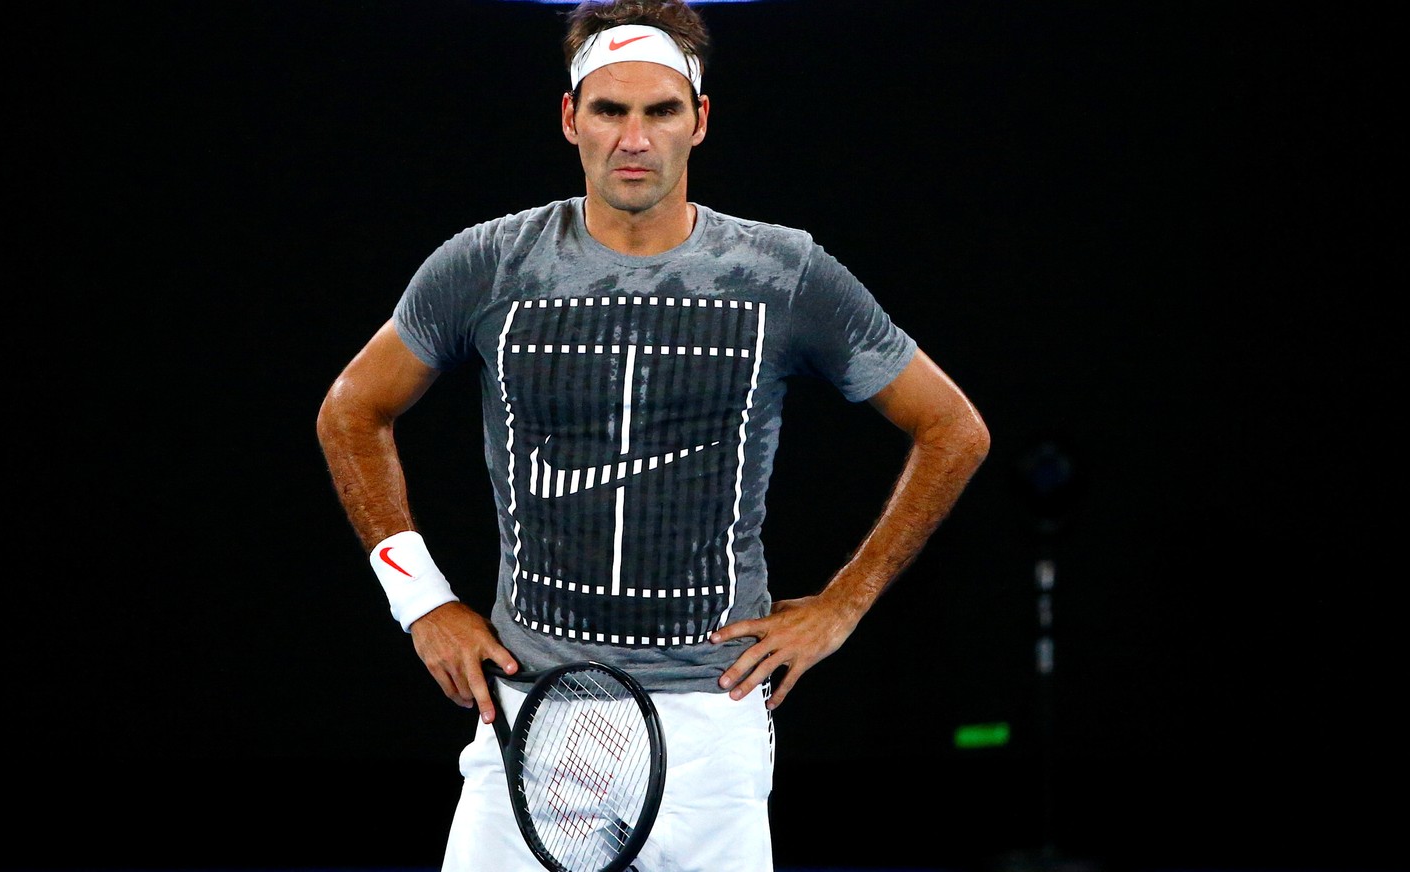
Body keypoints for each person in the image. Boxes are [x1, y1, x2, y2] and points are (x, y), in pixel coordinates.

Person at [315, 1, 990, 868]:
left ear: (699, 121)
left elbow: (952, 429)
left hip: (713, 728)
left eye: (661, 111)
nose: (634, 137)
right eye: (610, 110)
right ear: (571, 118)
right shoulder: (486, 264)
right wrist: (421, 604)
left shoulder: (783, 273)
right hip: (531, 710)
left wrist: (842, 607)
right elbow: (350, 411)